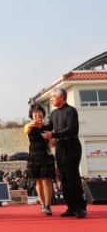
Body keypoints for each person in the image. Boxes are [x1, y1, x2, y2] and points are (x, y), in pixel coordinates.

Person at [41, 87, 87, 218]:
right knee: (64, 179)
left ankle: (80, 207)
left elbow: (71, 129)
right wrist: (38, 125)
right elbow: (49, 127)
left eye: (52, 97)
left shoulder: (71, 111)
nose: (50, 99)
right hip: (60, 147)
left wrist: (53, 135)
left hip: (71, 146)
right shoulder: (54, 113)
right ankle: (71, 207)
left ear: (61, 97)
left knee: (72, 177)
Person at [24, 104, 56, 215]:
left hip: (46, 156)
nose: (38, 114)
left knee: (46, 180)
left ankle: (48, 205)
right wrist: (31, 124)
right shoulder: (29, 127)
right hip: (34, 156)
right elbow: (26, 130)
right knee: (38, 181)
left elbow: (53, 138)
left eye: (40, 112)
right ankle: (42, 203)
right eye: (35, 112)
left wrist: (52, 140)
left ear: (43, 114)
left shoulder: (47, 127)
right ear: (31, 115)